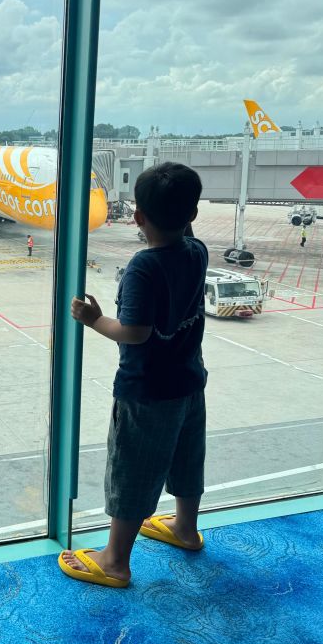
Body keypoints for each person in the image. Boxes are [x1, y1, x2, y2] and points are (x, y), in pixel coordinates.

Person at [59, 162, 208, 588]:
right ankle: (185, 528)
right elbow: (182, 231)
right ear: (192, 214)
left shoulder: (144, 267)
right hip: (189, 381)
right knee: (187, 458)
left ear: (138, 216)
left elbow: (135, 332)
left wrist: (93, 319)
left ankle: (115, 561)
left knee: (133, 470)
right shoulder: (197, 252)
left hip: (146, 391)